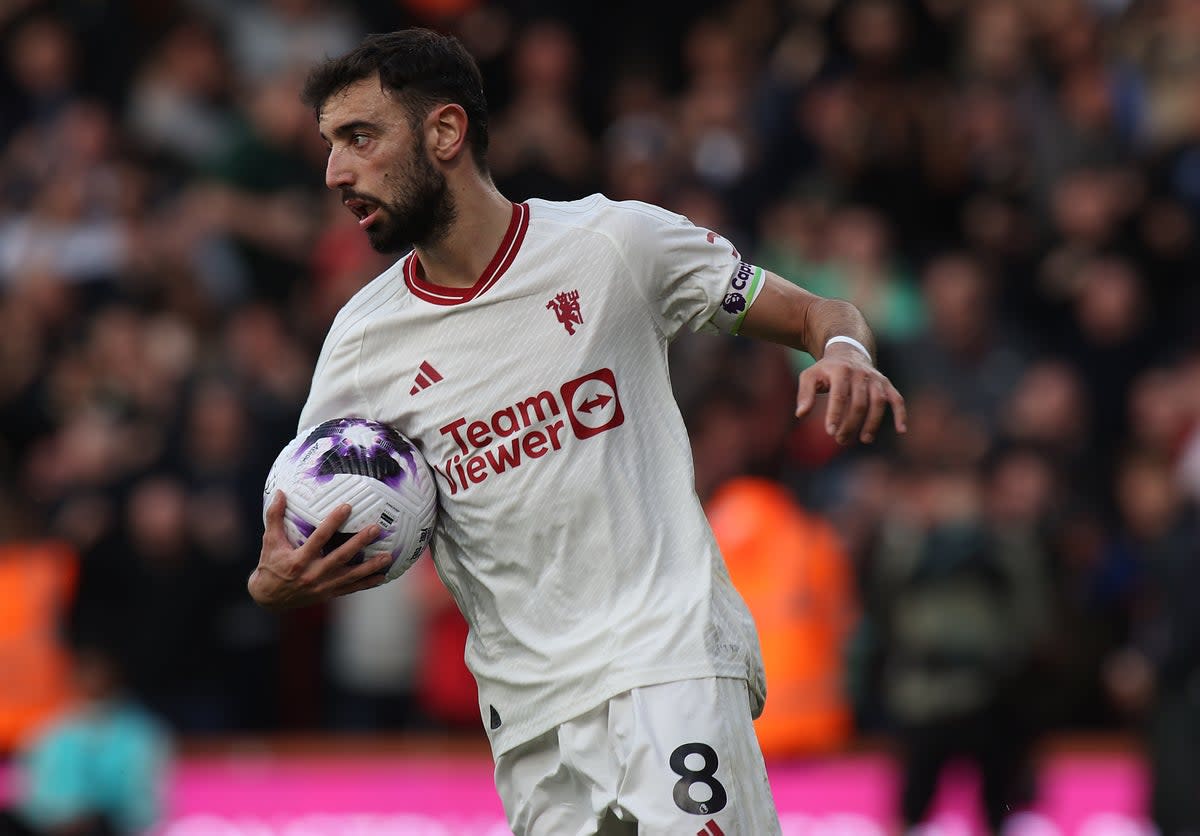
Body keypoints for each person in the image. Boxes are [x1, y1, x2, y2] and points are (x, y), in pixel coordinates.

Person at [247, 28, 906, 835]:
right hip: (528, 719)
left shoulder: (612, 245)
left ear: (445, 132)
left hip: (666, 665)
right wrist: (270, 584)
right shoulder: (360, 344)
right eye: (328, 146)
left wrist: (843, 351)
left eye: (359, 137)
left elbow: (814, 311)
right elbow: (306, 523)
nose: (335, 172)